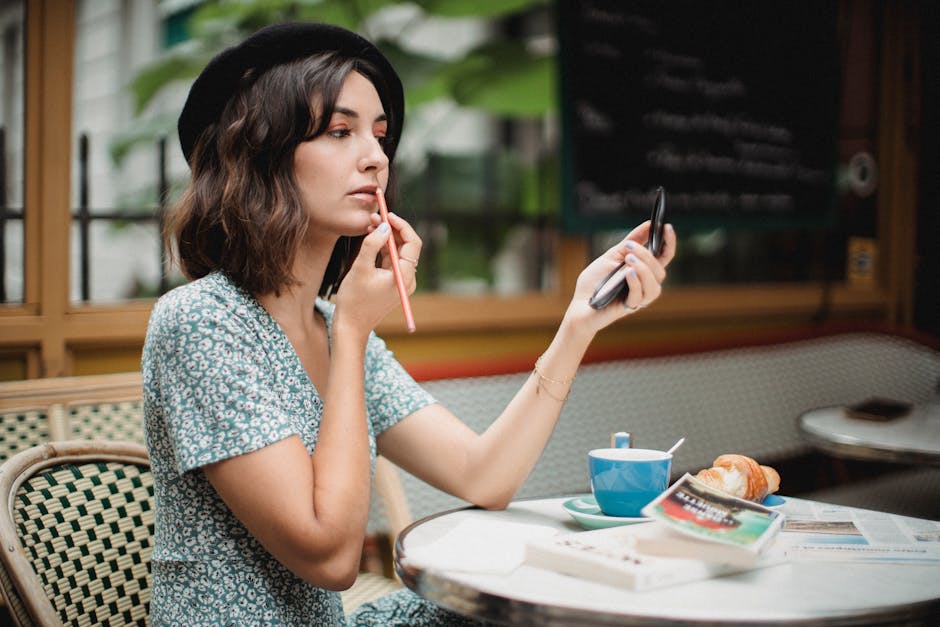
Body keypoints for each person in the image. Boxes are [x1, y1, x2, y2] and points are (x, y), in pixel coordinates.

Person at [142, 21, 676, 627]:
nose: (375, 158)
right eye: (340, 132)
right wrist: (352, 332)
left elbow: (484, 475)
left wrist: (578, 324)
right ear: (262, 155)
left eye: (380, 135)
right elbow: (331, 556)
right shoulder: (202, 322)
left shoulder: (332, 326)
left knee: (527, 605)